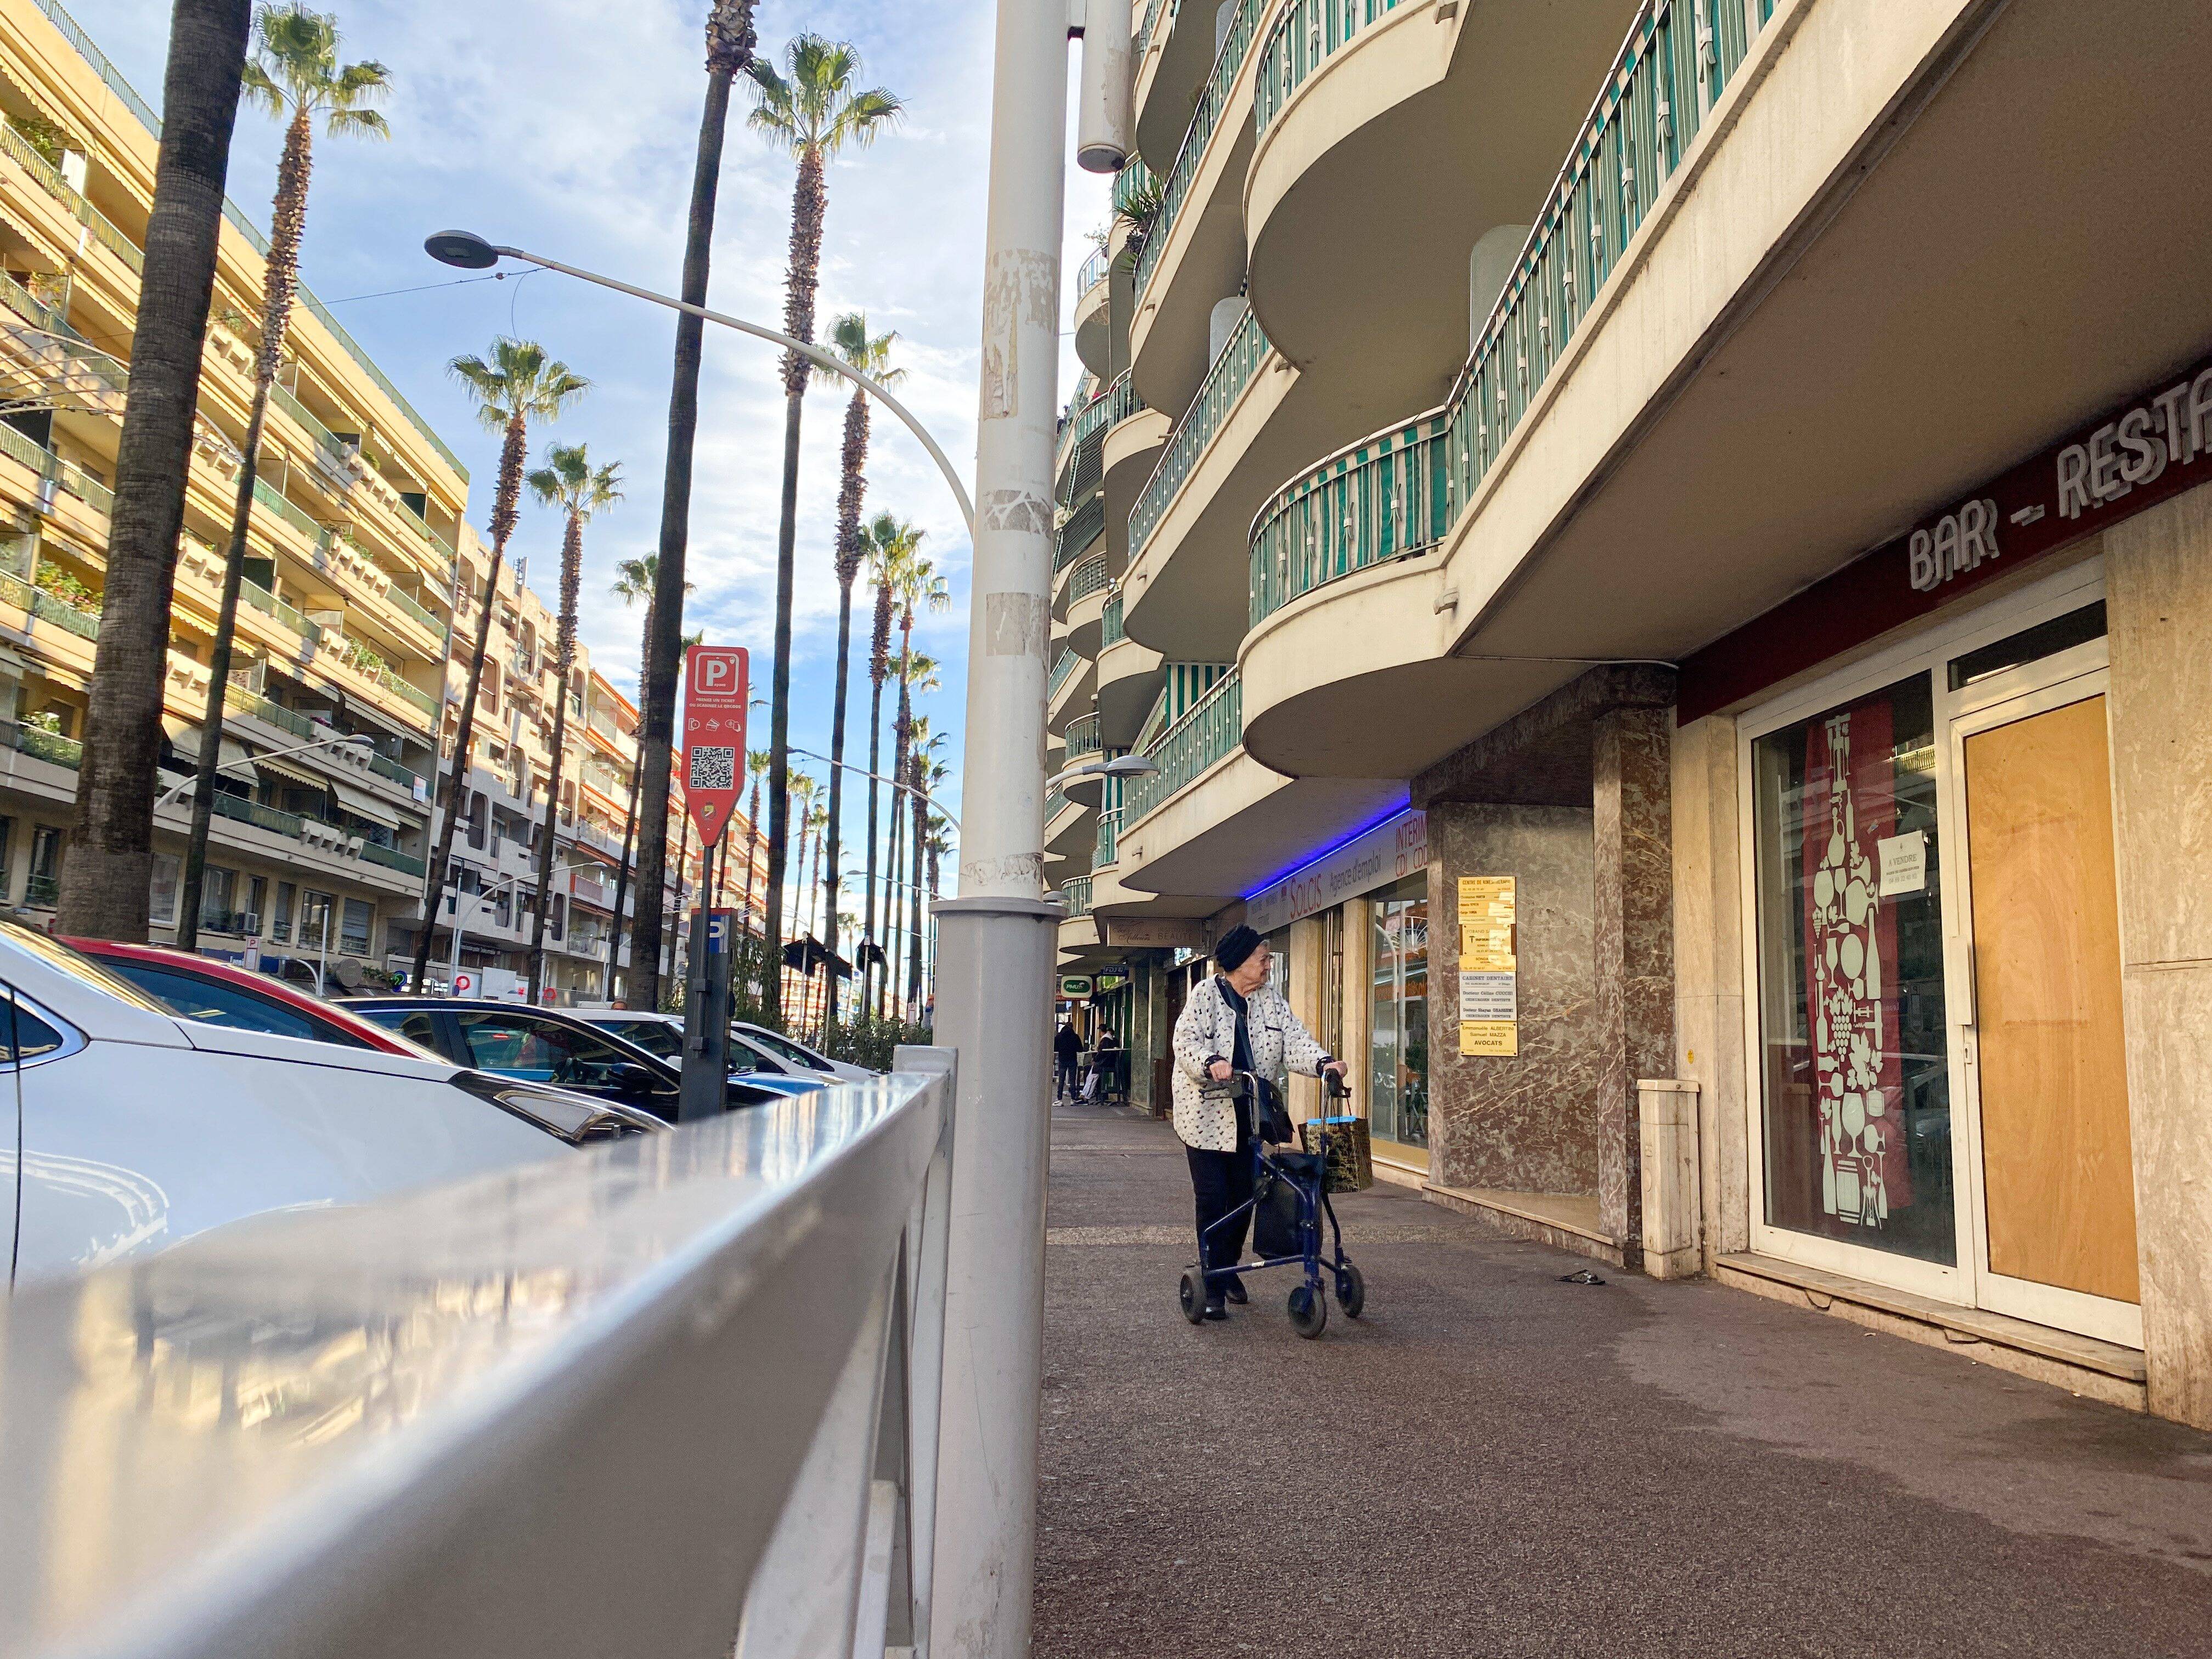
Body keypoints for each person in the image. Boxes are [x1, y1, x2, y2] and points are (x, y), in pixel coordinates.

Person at [1170, 926, 1346, 1320]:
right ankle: (1213, 1281)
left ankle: (1228, 1267)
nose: (1268, 965)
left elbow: (1295, 1040)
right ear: (1238, 963)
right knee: (1214, 1198)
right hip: (1205, 1113)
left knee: (1245, 1196)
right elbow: (1186, 1042)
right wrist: (1210, 1062)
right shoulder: (1205, 995)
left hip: (1250, 1111)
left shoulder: (1270, 999)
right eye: (1262, 959)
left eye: (1268, 959)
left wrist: (1323, 1063)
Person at [1054, 1017, 1082, 1102]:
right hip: (1073, 1060)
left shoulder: (1059, 1037)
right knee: (1072, 1080)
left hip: (1063, 1060)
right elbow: (1080, 1049)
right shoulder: (1075, 1037)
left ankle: (1059, 1098)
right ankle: (1073, 1098)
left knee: (1061, 1080)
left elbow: (1055, 1048)